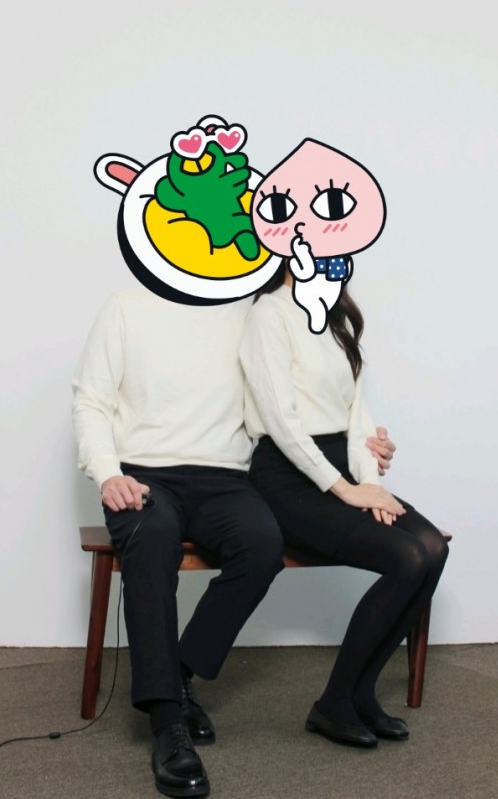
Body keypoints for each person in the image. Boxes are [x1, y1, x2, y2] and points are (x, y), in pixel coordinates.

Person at [72, 286, 396, 796]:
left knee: (262, 545)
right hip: (141, 472)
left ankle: (179, 672)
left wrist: (360, 442)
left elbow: (297, 392)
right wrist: (108, 473)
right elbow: (91, 399)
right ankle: (167, 725)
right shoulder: (126, 306)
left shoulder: (252, 312)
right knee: (152, 541)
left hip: (224, 476)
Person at [239, 265, 449, 748]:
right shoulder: (268, 314)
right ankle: (333, 703)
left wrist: (369, 483)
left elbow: (357, 416)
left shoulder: (334, 315)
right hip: (286, 475)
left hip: (340, 467)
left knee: (433, 548)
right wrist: (345, 489)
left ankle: (360, 693)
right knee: (407, 556)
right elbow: (281, 421)